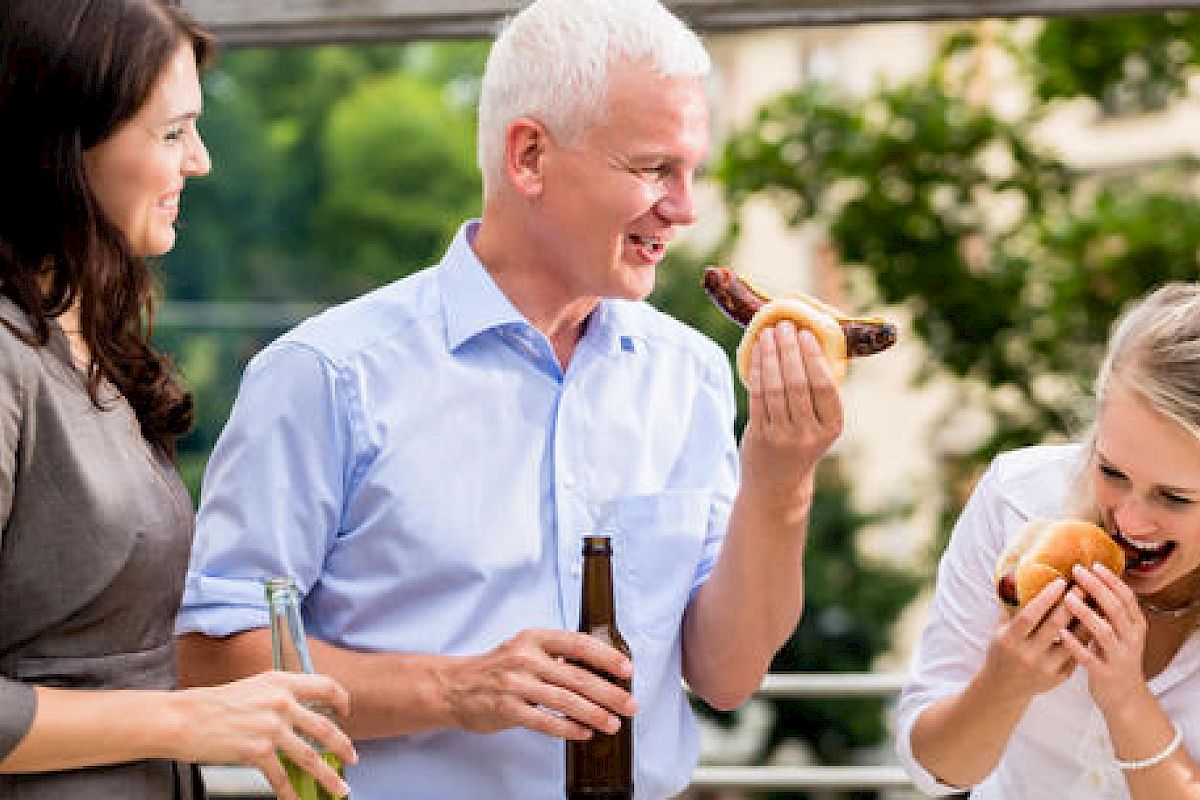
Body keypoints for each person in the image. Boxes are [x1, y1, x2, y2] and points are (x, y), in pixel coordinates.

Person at [175, 0, 843, 797]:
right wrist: (455, 690)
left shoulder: (691, 374)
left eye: (691, 171)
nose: (685, 207)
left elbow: (727, 675)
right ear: (528, 156)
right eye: (653, 168)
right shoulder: (327, 374)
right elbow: (213, 658)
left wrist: (782, 476)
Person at [0, 2, 356, 798]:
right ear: (64, 147)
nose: (198, 161)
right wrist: (188, 719)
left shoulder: (86, 342)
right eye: (171, 133)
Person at [897, 282, 1200, 799]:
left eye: (1173, 497)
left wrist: (1126, 698)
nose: (1129, 521)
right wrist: (1003, 685)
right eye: (1112, 471)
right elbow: (932, 769)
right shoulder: (1019, 502)